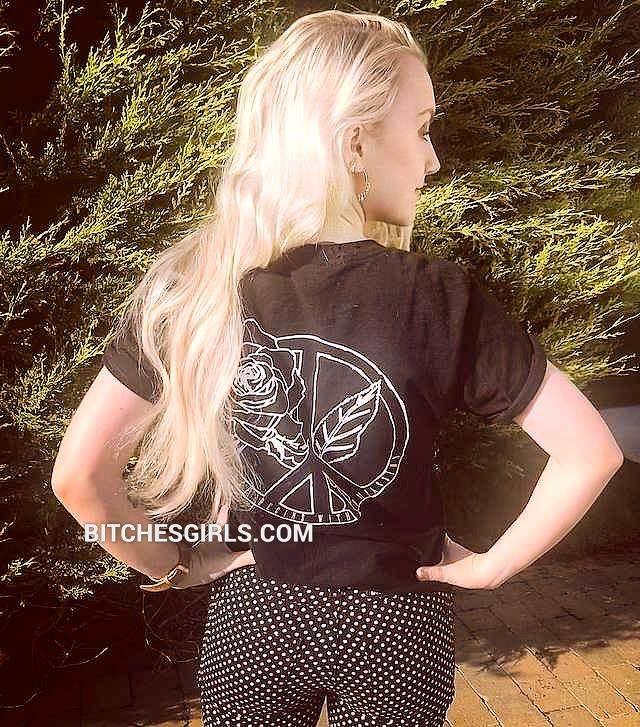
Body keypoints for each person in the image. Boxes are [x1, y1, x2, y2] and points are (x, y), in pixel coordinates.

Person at [51, 9, 625, 727]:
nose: (433, 160)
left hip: (257, 617)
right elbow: (591, 452)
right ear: (356, 143)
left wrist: (175, 564)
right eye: (422, 128)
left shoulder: (194, 290)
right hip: (397, 622)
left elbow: (78, 478)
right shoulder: (438, 297)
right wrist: (493, 566)